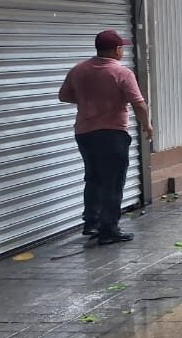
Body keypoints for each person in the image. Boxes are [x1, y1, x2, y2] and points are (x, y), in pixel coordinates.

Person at [58, 29, 153, 245]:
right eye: (121, 48)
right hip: (112, 134)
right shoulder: (122, 73)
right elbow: (138, 103)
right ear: (117, 50)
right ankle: (109, 229)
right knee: (113, 181)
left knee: (93, 178)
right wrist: (146, 125)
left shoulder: (79, 70)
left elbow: (64, 95)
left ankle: (91, 222)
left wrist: (87, 101)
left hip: (85, 134)